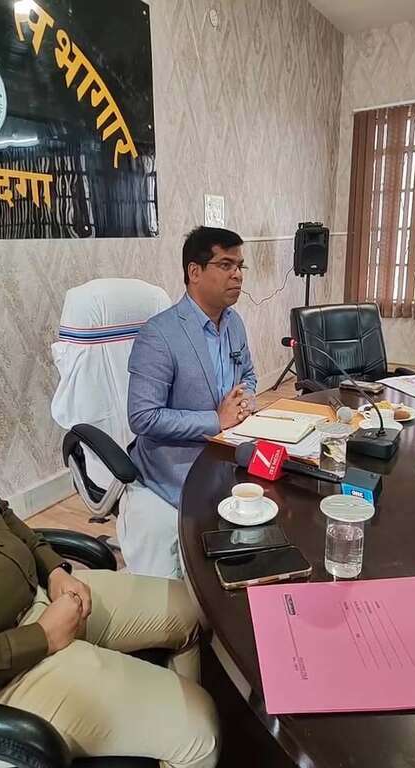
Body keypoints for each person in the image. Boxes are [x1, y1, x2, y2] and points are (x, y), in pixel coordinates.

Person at [0, 492, 220, 767]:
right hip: (11, 670)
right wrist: (43, 636)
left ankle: (162, 734)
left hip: (40, 595)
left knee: (192, 609)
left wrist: (54, 570)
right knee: (202, 736)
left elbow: (5, 515)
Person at [120, 226, 257, 575]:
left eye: (240, 265)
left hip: (230, 453)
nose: (238, 274)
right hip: (177, 466)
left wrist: (245, 401)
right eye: (225, 265)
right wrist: (216, 420)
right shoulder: (159, 335)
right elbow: (143, 417)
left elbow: (249, 376)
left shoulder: (234, 323)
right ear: (194, 271)